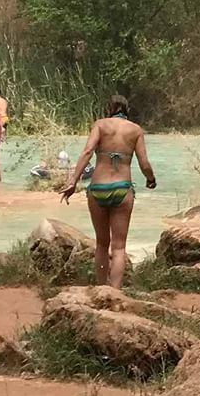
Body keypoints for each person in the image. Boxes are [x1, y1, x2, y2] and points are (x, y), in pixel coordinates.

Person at [60, 95, 156, 288]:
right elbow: (144, 163)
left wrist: (73, 181)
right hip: (122, 189)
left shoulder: (100, 125)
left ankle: (101, 288)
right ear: (127, 110)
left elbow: (87, 152)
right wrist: (151, 179)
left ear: (109, 109)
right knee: (119, 247)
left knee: (102, 244)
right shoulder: (135, 130)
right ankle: (115, 293)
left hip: (97, 189)